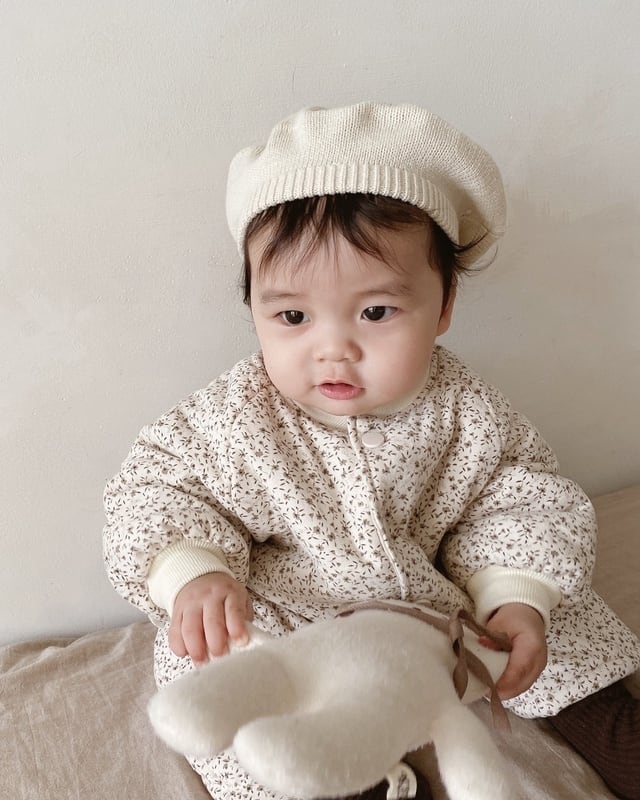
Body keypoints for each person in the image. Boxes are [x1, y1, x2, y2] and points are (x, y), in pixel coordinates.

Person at [103, 103, 640, 800]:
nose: (334, 348)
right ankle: (337, 775)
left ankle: (613, 729)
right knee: (238, 681)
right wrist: (193, 573)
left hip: (444, 610)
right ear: (255, 310)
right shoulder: (233, 417)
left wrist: (516, 595)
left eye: (376, 312)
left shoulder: (466, 409)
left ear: (443, 306)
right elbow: (156, 492)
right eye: (292, 316)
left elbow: (518, 498)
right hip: (297, 619)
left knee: (555, 621)